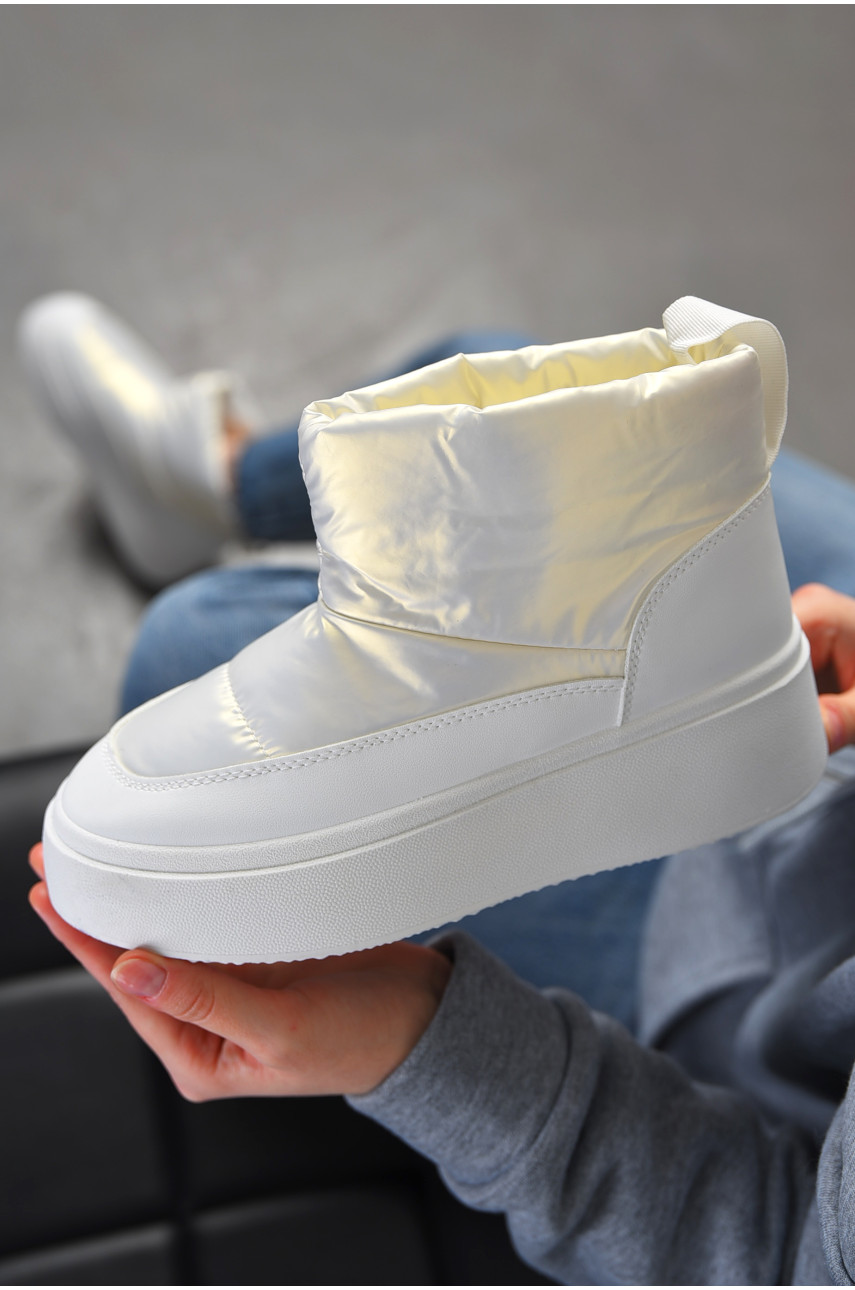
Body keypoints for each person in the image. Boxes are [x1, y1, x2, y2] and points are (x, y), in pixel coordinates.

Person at [21, 294, 855, 1284]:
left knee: (189, 637)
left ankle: (218, 489)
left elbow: (778, 1253)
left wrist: (432, 1046)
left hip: (755, 997)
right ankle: (219, 478)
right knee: (533, 397)